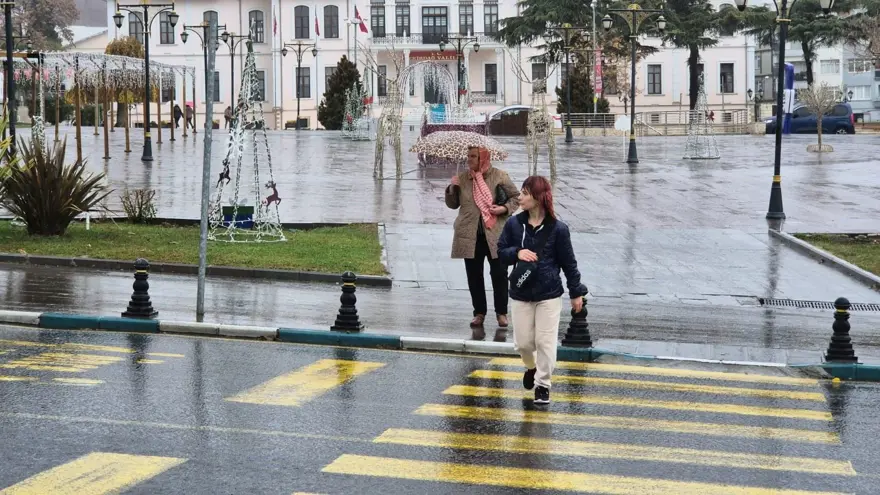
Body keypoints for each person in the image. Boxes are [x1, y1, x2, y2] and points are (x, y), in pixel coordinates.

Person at [497, 176, 587, 405]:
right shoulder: (514, 225)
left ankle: (543, 385)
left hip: (549, 294)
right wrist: (517, 252)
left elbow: (569, 263)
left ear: (537, 197)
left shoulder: (559, 229)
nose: (520, 197)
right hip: (521, 293)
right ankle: (531, 367)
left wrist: (576, 292)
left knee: (545, 342)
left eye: (525, 193)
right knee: (524, 344)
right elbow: (501, 253)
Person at [445, 147, 520, 330]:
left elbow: (516, 198)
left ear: (483, 158)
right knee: (474, 276)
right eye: (468, 156)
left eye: (474, 157)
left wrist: (503, 209)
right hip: (470, 236)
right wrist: (451, 188)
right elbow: (453, 205)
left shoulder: (499, 176)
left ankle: (501, 313)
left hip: (495, 235)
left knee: (499, 275)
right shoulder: (463, 178)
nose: (469, 160)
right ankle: (479, 313)